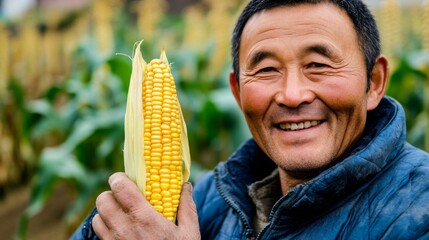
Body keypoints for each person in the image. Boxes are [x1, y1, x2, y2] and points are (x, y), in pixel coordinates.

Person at [71, 0, 429, 239]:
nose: (292, 94)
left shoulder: (418, 211)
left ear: (374, 82)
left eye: (318, 65)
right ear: (238, 93)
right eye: (267, 69)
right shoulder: (211, 197)